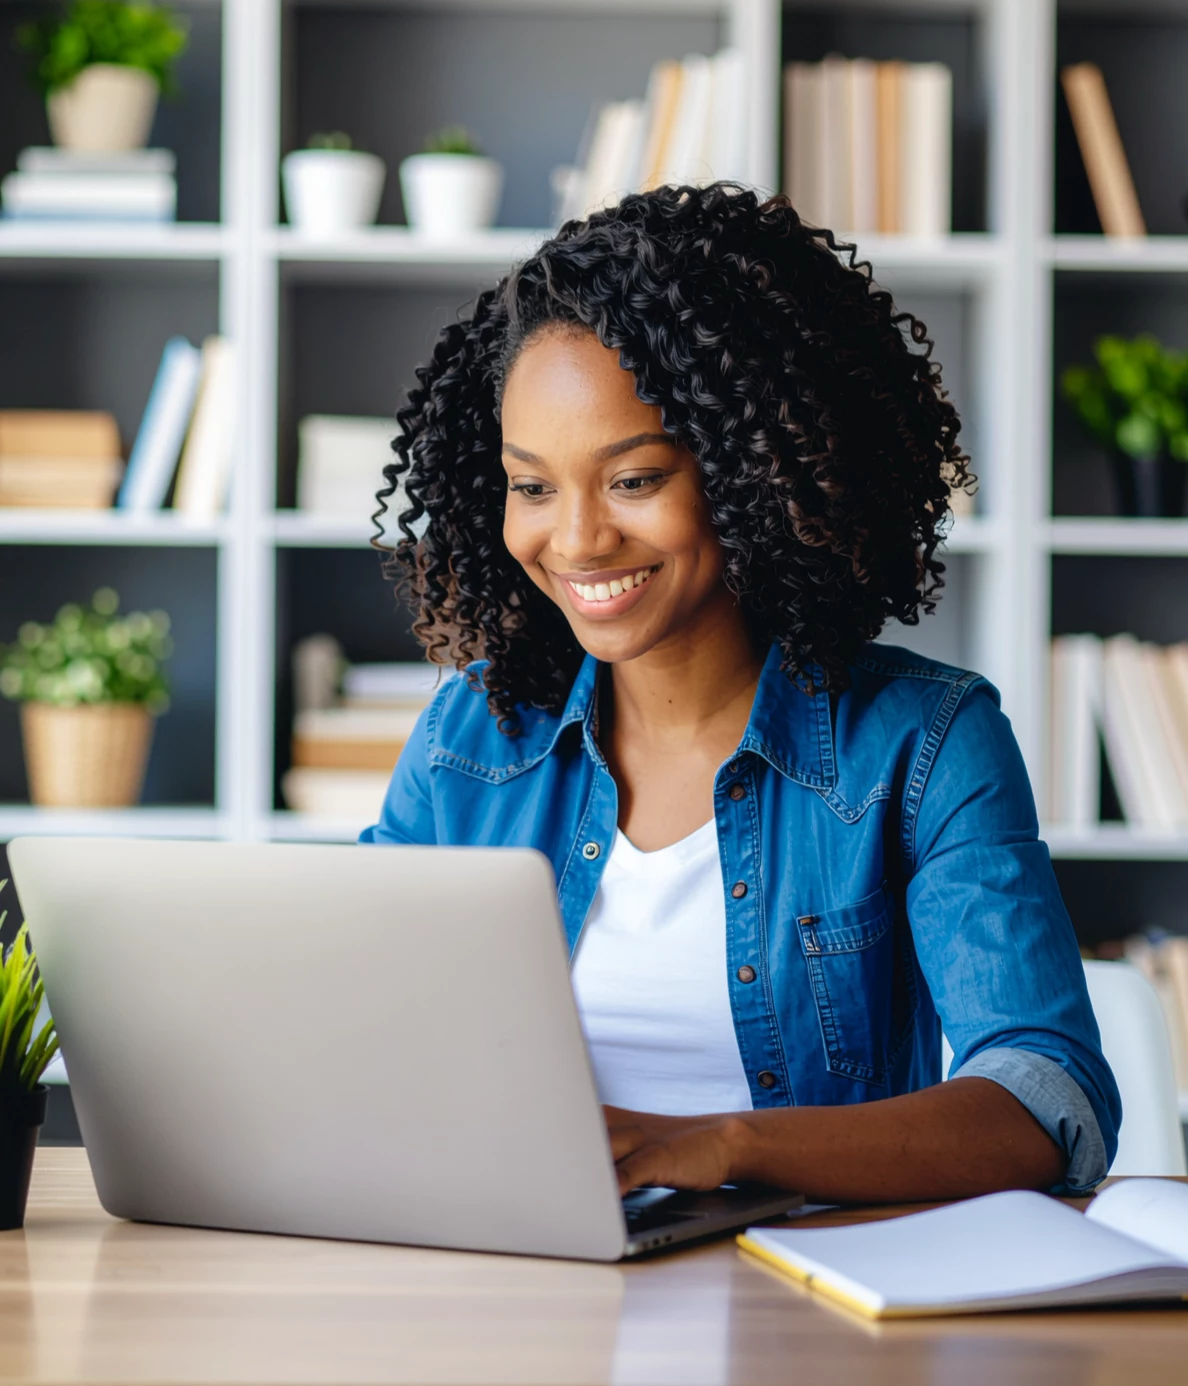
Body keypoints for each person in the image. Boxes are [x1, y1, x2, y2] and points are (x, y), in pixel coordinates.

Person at [361, 184, 1120, 1203]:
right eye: (533, 486)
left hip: (807, 1309)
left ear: (754, 472)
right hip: (516, 1291)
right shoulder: (475, 736)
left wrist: (720, 1146)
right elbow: (353, 1017)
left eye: (634, 480)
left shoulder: (925, 745)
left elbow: (1044, 1097)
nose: (577, 539)